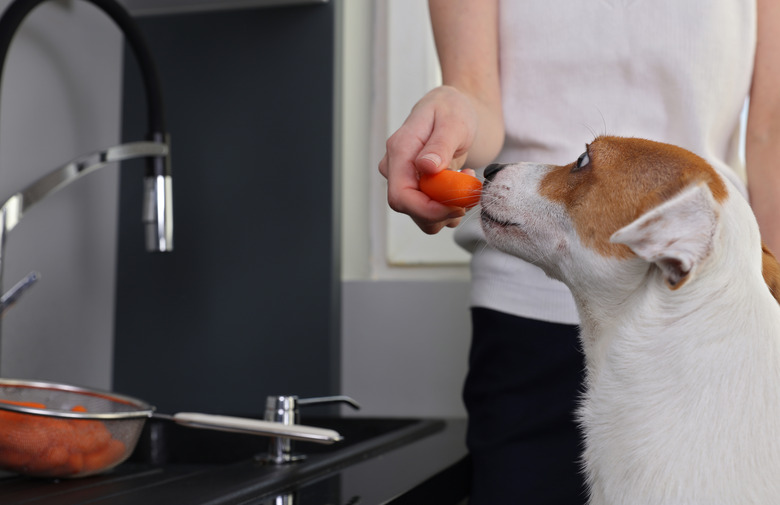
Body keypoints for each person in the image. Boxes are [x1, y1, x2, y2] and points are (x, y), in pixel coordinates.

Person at [379, 0, 780, 503]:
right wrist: (451, 108)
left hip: (708, 332)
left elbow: (770, 135)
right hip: (524, 319)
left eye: (584, 161)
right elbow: (474, 93)